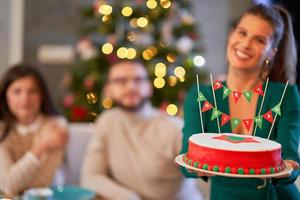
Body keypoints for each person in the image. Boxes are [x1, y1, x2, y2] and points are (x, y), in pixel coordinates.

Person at [180, 4, 300, 200]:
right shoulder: (200, 95)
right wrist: (198, 167)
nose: (245, 44)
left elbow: (291, 158)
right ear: (231, 35)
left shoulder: (285, 95)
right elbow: (186, 160)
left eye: (259, 40)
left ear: (271, 52)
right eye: (242, 33)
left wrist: (288, 169)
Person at [80, 61, 203, 200]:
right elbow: (91, 177)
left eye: (138, 80)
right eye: (121, 81)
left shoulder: (174, 128)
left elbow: (200, 168)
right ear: (109, 90)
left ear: (149, 88)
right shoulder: (106, 122)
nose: (131, 86)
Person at [0, 64, 69, 197]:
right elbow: (6, 185)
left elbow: (42, 183)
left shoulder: (56, 127)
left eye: (32, 91)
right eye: (17, 91)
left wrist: (15, 179)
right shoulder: (1, 129)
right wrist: (40, 146)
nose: (25, 98)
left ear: (41, 95)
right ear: (5, 96)